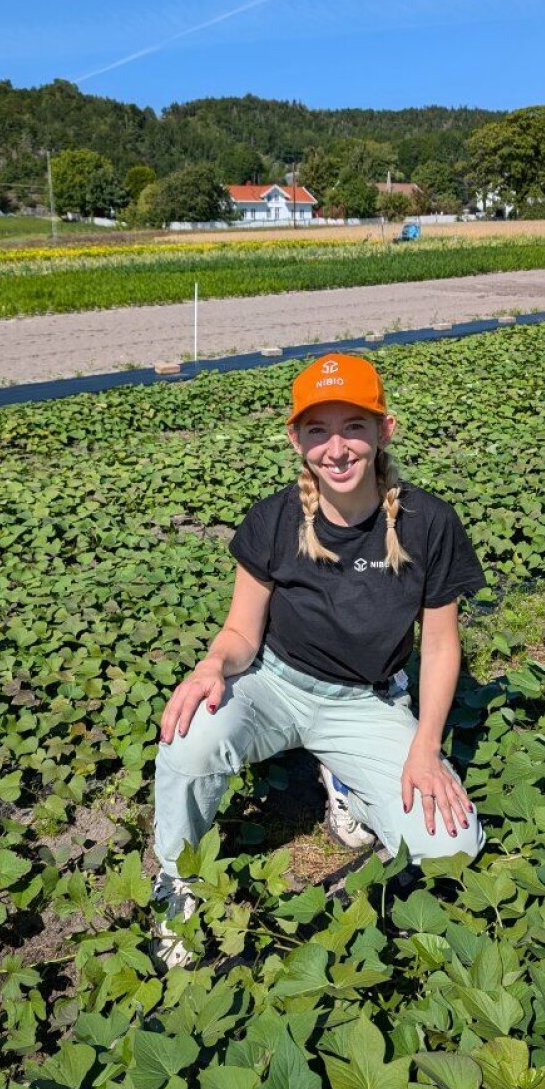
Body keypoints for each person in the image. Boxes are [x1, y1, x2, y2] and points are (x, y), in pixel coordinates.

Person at [151, 353, 487, 966]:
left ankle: (345, 779)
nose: (336, 448)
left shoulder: (429, 523)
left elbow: (440, 645)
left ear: (384, 429)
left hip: (366, 700)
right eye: (318, 430)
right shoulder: (275, 518)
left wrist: (426, 747)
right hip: (274, 684)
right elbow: (240, 632)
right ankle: (177, 878)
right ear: (296, 439)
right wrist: (212, 666)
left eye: (353, 426)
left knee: (451, 848)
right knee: (190, 734)